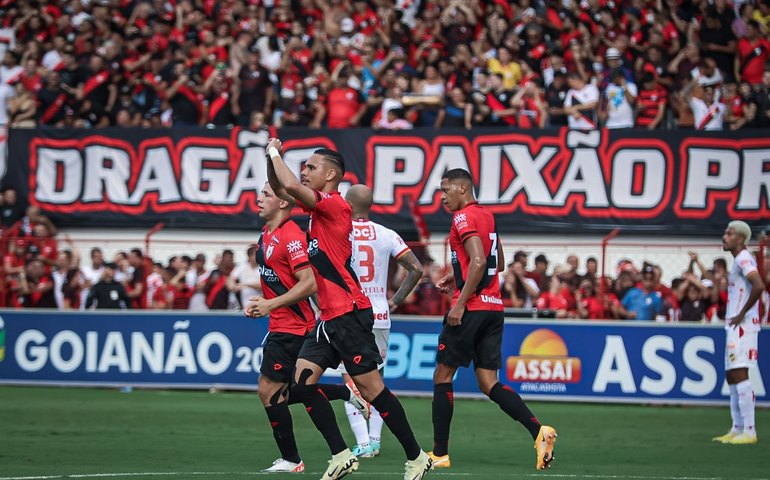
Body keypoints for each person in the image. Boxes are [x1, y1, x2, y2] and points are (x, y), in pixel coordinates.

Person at [265, 139, 432, 480]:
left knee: (372, 390)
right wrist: (271, 160)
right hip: (329, 317)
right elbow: (283, 187)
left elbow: (290, 187)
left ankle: (418, 457)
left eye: (311, 167)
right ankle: (342, 455)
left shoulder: (335, 205)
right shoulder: (318, 209)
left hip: (350, 313)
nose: (304, 171)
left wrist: (274, 153)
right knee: (302, 383)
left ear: (330, 175)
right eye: (304, 167)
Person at [428, 168, 557, 471]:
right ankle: (538, 431)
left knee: (442, 376)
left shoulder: (461, 218)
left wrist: (460, 302)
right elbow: (496, 261)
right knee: (489, 383)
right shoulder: (486, 215)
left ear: (462, 189)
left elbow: (479, 261)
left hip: (471, 308)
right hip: (493, 308)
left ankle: (440, 453)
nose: (442, 197)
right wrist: (457, 275)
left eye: (445, 190)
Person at [342, 184, 424, 459]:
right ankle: (375, 441)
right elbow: (416, 269)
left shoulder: (340, 231)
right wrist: (396, 300)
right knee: (377, 382)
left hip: (350, 313)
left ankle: (363, 442)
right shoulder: (386, 233)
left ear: (348, 205)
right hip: (379, 314)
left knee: (351, 381)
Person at [245, 182, 318, 473]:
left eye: (266, 194)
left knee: (269, 390)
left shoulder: (291, 235)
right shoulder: (266, 233)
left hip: (294, 327)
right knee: (288, 390)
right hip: (280, 323)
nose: (259, 199)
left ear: (284, 203)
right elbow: (278, 280)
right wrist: (262, 304)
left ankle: (292, 460)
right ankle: (348, 393)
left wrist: (271, 305)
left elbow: (309, 283)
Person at [712, 221, 765, 445]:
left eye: (729, 233)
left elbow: (759, 285)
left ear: (740, 239)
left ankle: (750, 431)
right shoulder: (739, 260)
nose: (724, 236)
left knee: (740, 373)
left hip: (743, 326)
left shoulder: (743, 258)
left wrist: (741, 313)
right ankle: (737, 428)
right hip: (735, 326)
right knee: (731, 375)